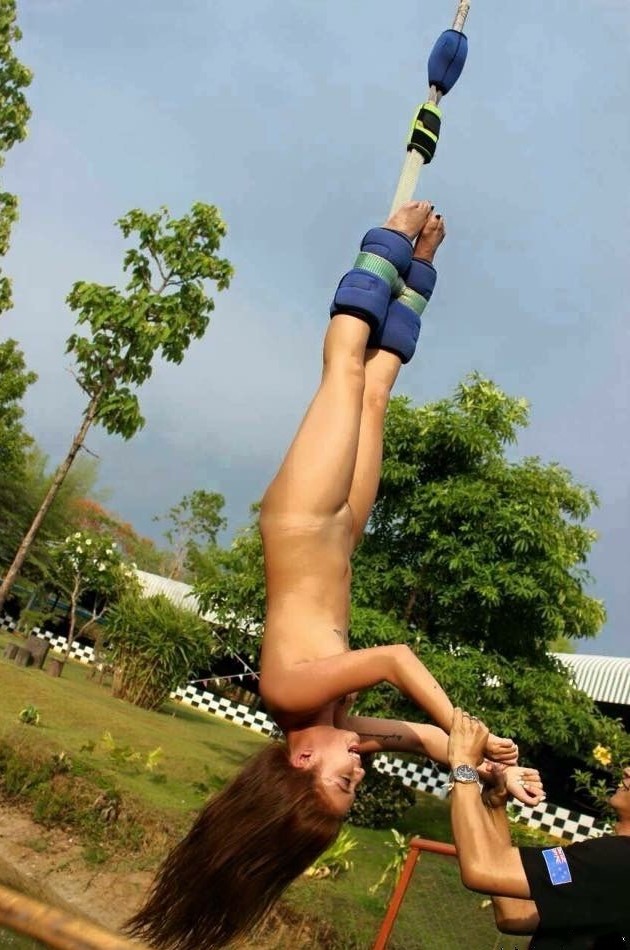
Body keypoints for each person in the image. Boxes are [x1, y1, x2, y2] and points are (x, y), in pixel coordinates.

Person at [127, 202, 527, 950]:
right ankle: (418, 270)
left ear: (301, 760)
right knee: (376, 391)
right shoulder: (339, 730)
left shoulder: (288, 697)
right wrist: (491, 761)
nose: (359, 775)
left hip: (302, 518)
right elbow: (427, 739)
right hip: (341, 535)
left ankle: (386, 240)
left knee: (344, 368)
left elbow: (395, 660)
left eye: (343, 782)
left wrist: (461, 727)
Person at [447, 708, 630, 948]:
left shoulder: (618, 859)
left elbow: (481, 870)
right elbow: (514, 912)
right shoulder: (609, 869)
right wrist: (495, 807)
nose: (627, 770)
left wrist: (463, 763)